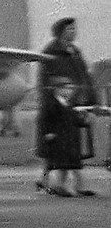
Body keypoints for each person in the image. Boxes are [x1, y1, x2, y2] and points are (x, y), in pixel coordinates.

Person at [34, 18, 97, 189]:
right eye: (69, 29)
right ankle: (51, 181)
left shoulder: (75, 52)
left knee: (68, 146)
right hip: (57, 106)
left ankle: (47, 180)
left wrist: (91, 101)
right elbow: (44, 81)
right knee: (57, 146)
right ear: (61, 31)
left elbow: (85, 77)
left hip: (74, 105)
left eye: (74, 29)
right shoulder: (51, 52)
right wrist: (52, 101)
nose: (74, 32)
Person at [36, 77, 95, 197]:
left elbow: (73, 119)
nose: (70, 91)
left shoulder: (68, 103)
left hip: (70, 138)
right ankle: (61, 186)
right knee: (63, 164)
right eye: (67, 88)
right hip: (59, 138)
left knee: (71, 165)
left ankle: (75, 187)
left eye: (71, 88)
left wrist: (84, 120)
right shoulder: (51, 103)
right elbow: (44, 120)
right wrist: (48, 132)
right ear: (58, 89)